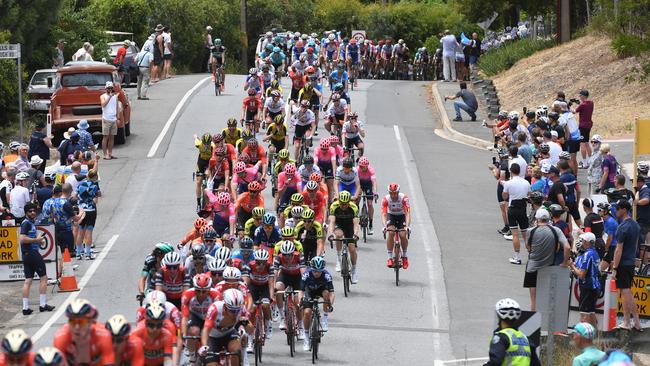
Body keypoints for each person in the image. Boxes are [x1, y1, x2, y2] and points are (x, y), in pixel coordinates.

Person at [524, 208, 570, 311]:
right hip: (549, 268)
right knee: (547, 298)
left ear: (537, 219)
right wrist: (564, 262)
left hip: (532, 268)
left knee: (534, 300)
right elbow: (567, 247)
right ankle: (546, 322)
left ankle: (535, 324)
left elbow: (528, 247)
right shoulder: (556, 230)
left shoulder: (530, 231)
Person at [19, 202, 55, 315]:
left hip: (27, 254)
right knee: (44, 278)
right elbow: (22, 239)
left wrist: (39, 242)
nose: (33, 212)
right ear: (26, 213)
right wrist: (37, 240)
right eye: (30, 211)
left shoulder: (30, 223)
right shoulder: (26, 224)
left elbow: (29, 239)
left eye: (34, 210)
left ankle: (25, 308)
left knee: (28, 280)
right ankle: (43, 305)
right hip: (32, 254)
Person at [612, 199, 642, 330]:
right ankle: (637, 322)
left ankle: (626, 322)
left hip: (623, 263)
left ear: (623, 209)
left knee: (625, 292)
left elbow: (618, 249)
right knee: (628, 292)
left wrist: (614, 267)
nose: (616, 211)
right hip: (630, 262)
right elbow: (635, 244)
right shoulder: (636, 225)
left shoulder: (622, 227)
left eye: (618, 209)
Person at [486, 298, 540, 366]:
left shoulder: (500, 338)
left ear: (499, 316)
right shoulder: (526, 339)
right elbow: (535, 364)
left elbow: (495, 362)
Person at [300, 257, 334, 352]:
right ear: (312, 269)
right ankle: (306, 337)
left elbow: (332, 293)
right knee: (307, 313)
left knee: (326, 295)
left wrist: (330, 304)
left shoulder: (327, 275)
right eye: (315, 271)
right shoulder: (306, 274)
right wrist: (301, 301)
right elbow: (301, 291)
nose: (317, 273)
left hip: (321, 290)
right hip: (309, 292)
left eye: (319, 271)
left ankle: (325, 319)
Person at [569, 232, 601, 328]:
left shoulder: (587, 254)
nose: (582, 242)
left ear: (587, 242)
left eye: (583, 240)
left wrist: (571, 265)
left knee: (584, 313)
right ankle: (595, 337)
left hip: (587, 287)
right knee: (591, 312)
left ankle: (584, 336)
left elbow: (582, 275)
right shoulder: (595, 253)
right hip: (595, 286)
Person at [502, 163, 530, 264]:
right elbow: (529, 195)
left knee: (515, 235)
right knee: (525, 234)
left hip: (512, 208)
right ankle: (531, 257)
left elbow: (504, 197)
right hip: (522, 208)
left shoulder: (508, 183)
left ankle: (517, 257)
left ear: (511, 171)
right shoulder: (526, 183)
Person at [76, 170, 100, 259]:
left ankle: (78, 253)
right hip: (90, 209)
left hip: (81, 209)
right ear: (94, 177)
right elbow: (99, 194)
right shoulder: (95, 185)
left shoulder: (80, 184)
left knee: (80, 230)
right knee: (89, 231)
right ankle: (88, 253)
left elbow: (75, 195)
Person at [572, 90, 594, 169]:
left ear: (583, 96)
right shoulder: (591, 103)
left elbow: (574, 111)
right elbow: (584, 107)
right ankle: (591, 160)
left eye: (580, 96)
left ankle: (584, 163)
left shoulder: (582, 105)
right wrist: (579, 104)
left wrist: (570, 107)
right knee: (587, 142)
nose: (579, 97)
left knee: (582, 144)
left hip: (582, 126)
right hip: (589, 125)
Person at [100, 81, 119, 160]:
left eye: (111, 88)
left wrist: (117, 118)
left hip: (113, 119)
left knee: (112, 137)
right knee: (105, 137)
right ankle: (105, 154)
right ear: (106, 88)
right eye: (108, 88)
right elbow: (103, 104)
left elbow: (117, 107)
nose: (110, 89)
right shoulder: (103, 96)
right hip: (106, 119)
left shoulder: (115, 96)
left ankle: (110, 153)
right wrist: (109, 97)